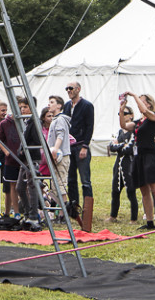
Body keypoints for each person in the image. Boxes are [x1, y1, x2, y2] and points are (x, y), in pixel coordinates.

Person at [120, 92, 155, 231]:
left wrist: (133, 95)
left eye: (141, 101)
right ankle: (150, 222)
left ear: (148, 103)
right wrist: (122, 109)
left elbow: (144, 110)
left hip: (151, 156)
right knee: (144, 191)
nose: (138, 103)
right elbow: (124, 125)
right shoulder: (139, 122)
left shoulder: (154, 116)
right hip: (140, 157)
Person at [62, 81, 95, 231]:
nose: (69, 91)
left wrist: (85, 146)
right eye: (67, 88)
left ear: (78, 89)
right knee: (70, 179)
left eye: (71, 88)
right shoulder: (67, 106)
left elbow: (90, 126)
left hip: (81, 144)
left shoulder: (87, 106)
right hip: (70, 146)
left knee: (85, 180)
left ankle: (88, 211)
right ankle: (74, 208)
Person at [108, 104, 138, 223]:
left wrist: (119, 146)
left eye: (125, 114)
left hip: (129, 164)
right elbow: (111, 146)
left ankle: (134, 218)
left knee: (131, 191)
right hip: (118, 165)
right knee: (115, 191)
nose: (122, 116)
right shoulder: (119, 132)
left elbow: (130, 148)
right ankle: (113, 216)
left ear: (131, 116)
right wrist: (121, 145)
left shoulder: (134, 132)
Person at [0, 98, 23, 217]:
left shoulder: (24, 121)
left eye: (22, 107)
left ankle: (26, 210)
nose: (20, 109)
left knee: (23, 186)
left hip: (23, 160)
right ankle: (15, 212)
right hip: (10, 160)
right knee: (12, 185)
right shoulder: (4, 123)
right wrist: (6, 151)